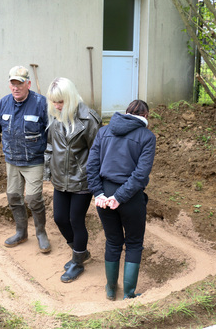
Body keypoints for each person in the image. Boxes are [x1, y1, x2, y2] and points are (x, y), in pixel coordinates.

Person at [86, 100, 156, 300]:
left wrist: (99, 194)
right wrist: (120, 197)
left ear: (126, 113)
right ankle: (129, 293)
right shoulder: (147, 137)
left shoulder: (104, 131)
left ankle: (110, 289)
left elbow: (91, 166)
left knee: (113, 241)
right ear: (145, 116)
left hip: (104, 195)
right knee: (134, 243)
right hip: (131, 198)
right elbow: (141, 175)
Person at [0, 66, 51, 253]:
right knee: (13, 196)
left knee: (33, 198)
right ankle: (21, 232)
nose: (16, 87)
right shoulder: (3, 103)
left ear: (28, 84)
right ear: (10, 84)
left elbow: (52, 131)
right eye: (13, 83)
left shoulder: (41, 103)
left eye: (20, 83)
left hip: (34, 160)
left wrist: (52, 156)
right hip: (12, 160)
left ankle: (41, 233)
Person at [43, 77, 101, 283]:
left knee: (76, 220)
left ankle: (77, 262)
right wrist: (47, 172)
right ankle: (80, 252)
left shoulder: (88, 119)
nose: (57, 106)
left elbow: (97, 151)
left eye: (61, 102)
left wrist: (94, 179)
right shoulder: (55, 116)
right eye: (54, 102)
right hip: (60, 178)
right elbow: (50, 146)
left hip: (81, 180)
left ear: (70, 97)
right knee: (59, 218)